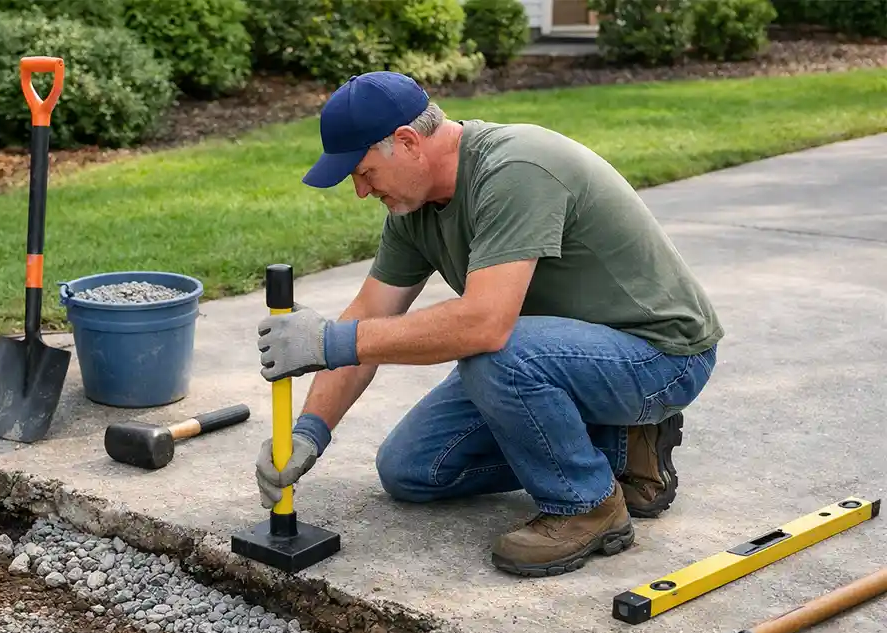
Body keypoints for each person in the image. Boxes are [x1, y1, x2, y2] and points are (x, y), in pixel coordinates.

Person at [253, 71, 724, 578]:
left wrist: (327, 341)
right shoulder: (413, 212)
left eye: (363, 172)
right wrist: (309, 431)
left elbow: (484, 324)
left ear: (408, 142)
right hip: (559, 354)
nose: (361, 192)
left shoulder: (515, 168)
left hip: (661, 354)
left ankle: (588, 505)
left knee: (494, 353)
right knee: (411, 470)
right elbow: (367, 318)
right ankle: (618, 447)